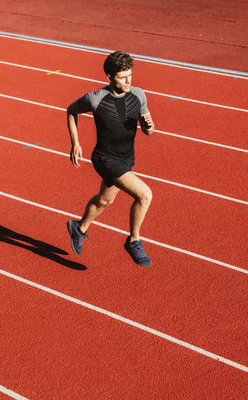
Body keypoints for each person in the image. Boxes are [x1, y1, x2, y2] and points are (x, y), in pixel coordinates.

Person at [66, 51, 155, 266]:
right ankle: (133, 241)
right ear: (109, 77)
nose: (128, 80)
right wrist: (75, 143)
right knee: (144, 195)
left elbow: (148, 131)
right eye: (123, 77)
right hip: (105, 158)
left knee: (105, 200)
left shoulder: (138, 95)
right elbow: (71, 110)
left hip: (126, 158)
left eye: (130, 75)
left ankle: (79, 228)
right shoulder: (96, 99)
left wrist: (148, 126)